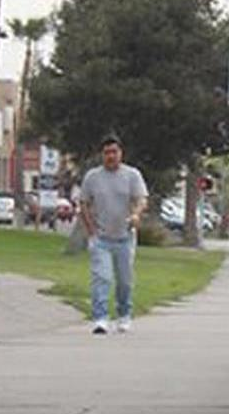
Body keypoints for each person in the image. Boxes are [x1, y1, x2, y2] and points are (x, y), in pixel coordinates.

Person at [79, 135, 148, 335]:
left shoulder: (132, 175)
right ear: (102, 155)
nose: (111, 156)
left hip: (124, 238)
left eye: (114, 152)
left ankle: (124, 315)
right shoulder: (93, 177)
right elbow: (84, 202)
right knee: (102, 277)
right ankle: (100, 318)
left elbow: (141, 199)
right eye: (107, 152)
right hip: (101, 239)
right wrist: (91, 229)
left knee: (124, 281)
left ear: (121, 153)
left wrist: (135, 214)